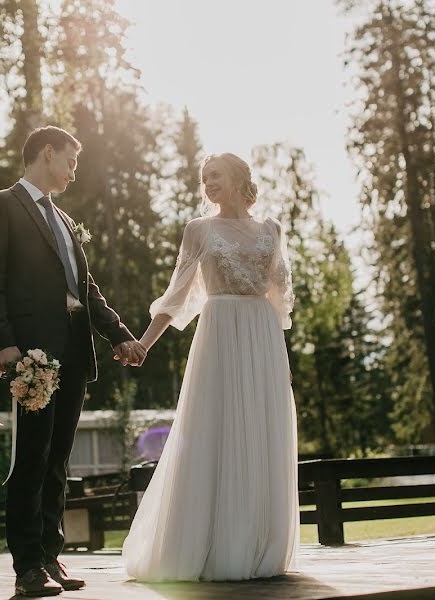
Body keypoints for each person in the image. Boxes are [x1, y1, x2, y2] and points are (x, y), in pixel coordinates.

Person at [0, 125, 147, 597]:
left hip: (74, 352)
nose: (73, 171)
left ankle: (51, 558)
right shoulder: (0, 205)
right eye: (69, 161)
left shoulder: (68, 223)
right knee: (30, 459)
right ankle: (27, 566)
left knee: (57, 461)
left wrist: (121, 336)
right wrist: (4, 342)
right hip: (32, 354)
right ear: (46, 154)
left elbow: (85, 292)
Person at [122, 152, 298, 582]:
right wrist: (144, 343)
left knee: (260, 435)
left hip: (263, 339)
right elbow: (177, 294)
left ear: (239, 177)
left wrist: (281, 361)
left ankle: (258, 546)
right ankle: (207, 547)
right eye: (204, 179)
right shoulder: (198, 231)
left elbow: (278, 299)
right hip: (219, 334)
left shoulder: (272, 229)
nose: (208, 184)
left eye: (215, 175)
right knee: (215, 432)